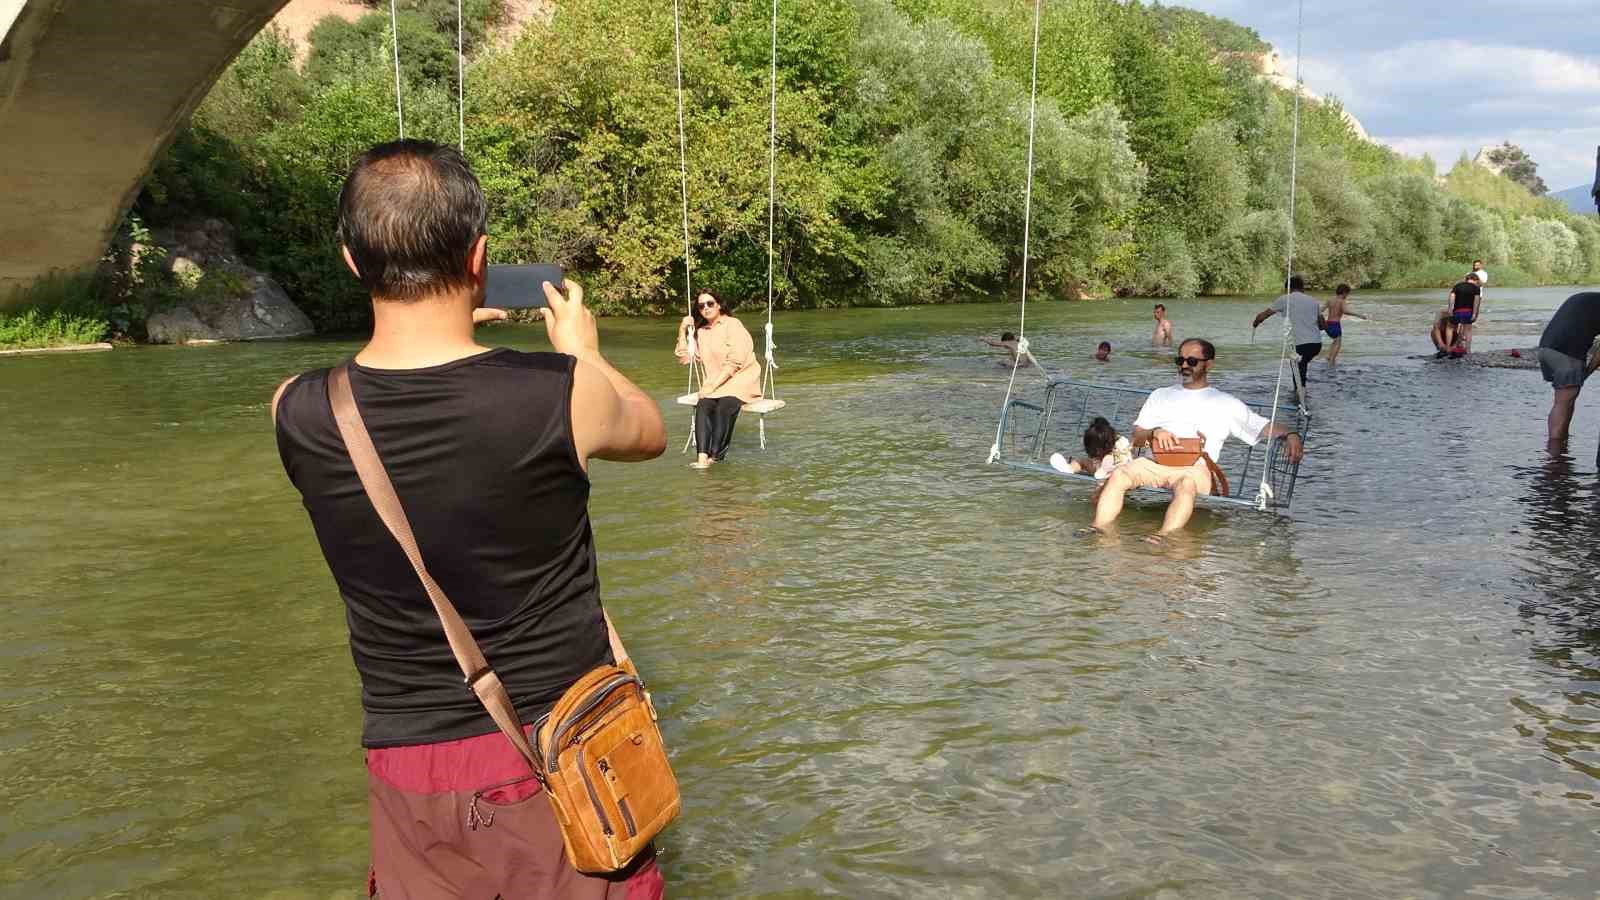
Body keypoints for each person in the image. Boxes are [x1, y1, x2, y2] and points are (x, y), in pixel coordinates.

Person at [271, 140, 668, 899]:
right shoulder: (558, 392)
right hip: (560, 755)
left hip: (406, 770)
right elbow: (648, 431)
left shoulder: (297, 409)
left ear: (353, 261)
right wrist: (584, 354)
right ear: (479, 257)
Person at [1092, 339, 1305, 535]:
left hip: (1195, 469)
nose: (1184, 365)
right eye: (1180, 360)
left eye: (1192, 360)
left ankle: (1163, 537)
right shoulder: (1160, 394)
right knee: (1119, 475)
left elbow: (1263, 427)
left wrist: (1291, 433)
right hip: (1154, 462)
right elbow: (1137, 437)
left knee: (1186, 484)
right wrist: (1155, 432)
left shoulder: (1225, 403)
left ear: (1208, 364)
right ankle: (1099, 529)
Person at [676, 290, 763, 468]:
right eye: (701, 306)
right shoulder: (701, 332)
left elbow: (735, 362)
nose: (706, 308)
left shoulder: (733, 324)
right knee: (703, 406)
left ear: (719, 305)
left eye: (710, 303)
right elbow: (685, 358)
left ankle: (715, 457)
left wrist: (712, 386)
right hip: (715, 385)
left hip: (740, 380)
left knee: (724, 406)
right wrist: (682, 329)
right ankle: (701, 458)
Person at [1537, 291, 1600, 451]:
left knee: (1564, 402)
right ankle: (1556, 455)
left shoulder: (1586, 297)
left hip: (1545, 349)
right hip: (1568, 355)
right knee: (1563, 404)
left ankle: (1560, 446)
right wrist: (1587, 372)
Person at [1252, 275, 1323, 386]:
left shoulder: (1285, 299)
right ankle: (1302, 393)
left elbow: (1263, 316)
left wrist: (1255, 324)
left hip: (1299, 344)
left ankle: (1299, 397)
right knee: (1301, 366)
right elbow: (1322, 325)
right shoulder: (1313, 301)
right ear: (1302, 288)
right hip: (1316, 345)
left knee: (1298, 370)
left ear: (1287, 289)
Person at [1049, 416, 1129, 478]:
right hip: (1125, 471)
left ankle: (1070, 468)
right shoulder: (1121, 441)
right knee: (1105, 460)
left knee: (1082, 461)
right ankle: (1103, 471)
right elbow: (1129, 454)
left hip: (1108, 470)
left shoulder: (1105, 451)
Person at [1321, 283, 1367, 368]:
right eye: (1347, 294)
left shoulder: (1329, 300)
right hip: (1335, 324)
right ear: (1344, 293)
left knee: (1335, 340)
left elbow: (1321, 310)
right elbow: (1346, 311)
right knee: (1338, 342)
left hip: (1327, 324)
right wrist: (1359, 315)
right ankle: (1332, 361)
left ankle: (1328, 356)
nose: (1347, 296)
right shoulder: (1342, 301)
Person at [1447, 272, 1483, 356]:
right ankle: (1468, 350)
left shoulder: (1457, 286)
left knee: (1450, 327)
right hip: (1468, 312)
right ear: (1475, 280)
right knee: (1468, 331)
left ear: (1467, 279)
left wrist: (1450, 309)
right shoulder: (1476, 288)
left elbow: (1451, 298)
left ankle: (1448, 348)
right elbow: (1476, 302)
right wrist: (1474, 314)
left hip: (1457, 311)